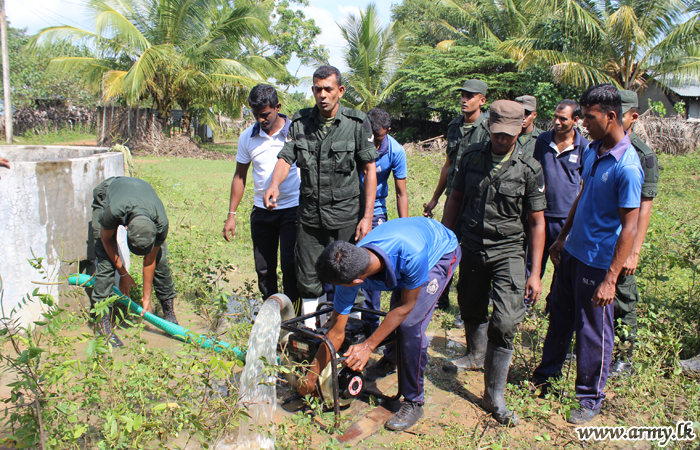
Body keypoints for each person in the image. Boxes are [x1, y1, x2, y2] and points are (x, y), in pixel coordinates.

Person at [533, 84, 643, 425]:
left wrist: (611, 278)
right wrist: (562, 237)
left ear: (611, 116)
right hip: (573, 253)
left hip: (598, 262)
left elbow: (629, 227)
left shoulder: (628, 166)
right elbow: (582, 196)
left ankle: (590, 396)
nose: (584, 125)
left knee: (594, 331)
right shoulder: (595, 151)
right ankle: (546, 375)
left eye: (590, 118)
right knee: (560, 317)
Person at [298, 217, 461, 431]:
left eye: (338, 286)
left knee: (410, 325)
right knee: (397, 314)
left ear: (357, 282)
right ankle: (392, 358)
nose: (338, 289)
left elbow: (406, 306)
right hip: (405, 249)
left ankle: (414, 401)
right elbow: (335, 333)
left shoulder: (411, 255)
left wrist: (369, 345)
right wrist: (311, 377)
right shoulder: (350, 266)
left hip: (439, 252)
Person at [441, 100, 547, 425]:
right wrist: (444, 243)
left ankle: (494, 394)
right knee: (470, 305)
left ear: (520, 130)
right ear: (489, 127)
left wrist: (536, 273)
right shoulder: (472, 156)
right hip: (472, 245)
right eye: (497, 133)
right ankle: (474, 354)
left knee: (505, 322)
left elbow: (536, 222)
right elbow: (455, 198)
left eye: (509, 135)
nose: (502, 139)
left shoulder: (529, 169)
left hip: (509, 252)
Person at [263, 66, 378, 322]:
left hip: (346, 216)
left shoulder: (357, 124)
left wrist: (367, 217)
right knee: (308, 276)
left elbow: (370, 170)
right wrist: (274, 185)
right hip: (310, 217)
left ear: (340, 91)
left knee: (349, 275)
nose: (322, 95)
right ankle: (311, 332)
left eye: (328, 89)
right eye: (317, 89)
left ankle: (350, 333)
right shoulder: (301, 122)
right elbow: (285, 158)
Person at [222, 85, 301, 314]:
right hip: (262, 212)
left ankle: (293, 318)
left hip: (291, 209)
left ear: (277, 108)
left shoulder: (295, 134)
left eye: (265, 114)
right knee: (264, 269)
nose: (260, 119)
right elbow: (240, 176)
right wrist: (231, 216)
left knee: (290, 267)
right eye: (256, 114)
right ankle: (271, 317)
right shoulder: (247, 137)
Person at [423, 79, 490, 321]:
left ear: (482, 100)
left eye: (470, 96)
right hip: (454, 197)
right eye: (462, 95)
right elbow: (448, 165)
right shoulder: (454, 126)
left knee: (471, 253)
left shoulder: (488, 128)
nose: (464, 99)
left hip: (476, 201)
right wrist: (434, 199)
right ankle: (439, 295)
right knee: (446, 245)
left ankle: (468, 305)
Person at [91, 176, 177, 347]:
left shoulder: (161, 223)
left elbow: (150, 260)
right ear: (126, 228)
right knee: (106, 262)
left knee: (160, 260)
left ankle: (169, 313)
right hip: (110, 192)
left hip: (141, 194)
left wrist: (146, 298)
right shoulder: (113, 212)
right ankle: (103, 325)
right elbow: (107, 239)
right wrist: (123, 274)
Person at [609, 89, 659, 377]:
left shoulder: (642, 155)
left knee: (624, 298)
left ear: (633, 116)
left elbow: (644, 208)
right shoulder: (600, 147)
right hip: (601, 238)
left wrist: (633, 252)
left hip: (624, 240)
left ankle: (624, 357)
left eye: (619, 114)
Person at [360, 108, 409, 330]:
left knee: (372, 264)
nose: (374, 142)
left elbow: (401, 192)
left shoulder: (396, 151)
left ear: (387, 131)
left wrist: (404, 227)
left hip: (377, 208)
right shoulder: (358, 140)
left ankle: (370, 321)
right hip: (350, 206)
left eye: (378, 137)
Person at [530, 100, 589, 281]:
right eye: (555, 117)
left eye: (563, 119)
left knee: (562, 264)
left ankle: (554, 305)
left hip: (566, 217)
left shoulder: (584, 147)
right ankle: (526, 304)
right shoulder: (543, 140)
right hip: (540, 212)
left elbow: (586, 184)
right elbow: (534, 171)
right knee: (532, 262)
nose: (556, 122)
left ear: (576, 120)